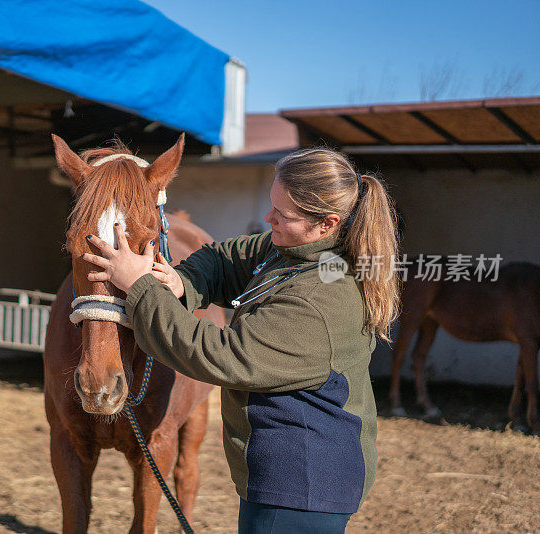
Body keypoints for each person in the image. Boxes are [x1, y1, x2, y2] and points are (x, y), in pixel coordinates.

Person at [82, 147, 400, 533]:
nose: (269, 220)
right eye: (273, 205)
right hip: (283, 470)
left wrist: (141, 288)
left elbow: (222, 355)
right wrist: (183, 280)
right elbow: (228, 257)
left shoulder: (323, 298)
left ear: (327, 223)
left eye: (283, 215)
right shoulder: (301, 250)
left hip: (301, 484)